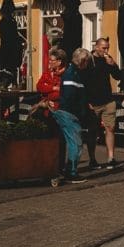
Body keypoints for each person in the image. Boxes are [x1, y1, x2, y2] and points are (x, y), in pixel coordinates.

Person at [35, 46, 82, 182]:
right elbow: (39, 86)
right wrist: (53, 88)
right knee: (52, 139)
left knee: (62, 140)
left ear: (60, 61)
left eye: (52, 60)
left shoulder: (65, 74)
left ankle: (61, 168)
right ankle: (53, 167)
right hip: (48, 112)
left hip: (60, 110)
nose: (49, 62)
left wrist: (50, 93)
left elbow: (62, 94)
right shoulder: (48, 74)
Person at [84, 37, 121, 169]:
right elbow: (83, 81)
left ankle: (111, 158)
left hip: (108, 99)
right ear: (96, 47)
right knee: (93, 131)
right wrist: (86, 100)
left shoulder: (107, 59)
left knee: (110, 128)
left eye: (107, 48)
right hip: (93, 102)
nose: (106, 51)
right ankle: (92, 159)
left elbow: (118, 76)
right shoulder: (88, 60)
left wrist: (113, 65)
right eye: (103, 48)